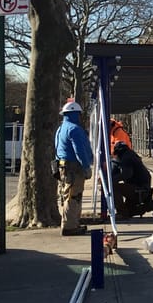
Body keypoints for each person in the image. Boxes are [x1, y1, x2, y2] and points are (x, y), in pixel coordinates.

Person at [55, 100, 94, 236]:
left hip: (63, 167)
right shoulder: (75, 129)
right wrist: (86, 167)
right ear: (76, 114)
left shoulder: (61, 129)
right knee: (74, 196)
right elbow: (80, 151)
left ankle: (72, 223)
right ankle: (70, 226)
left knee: (67, 195)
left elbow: (56, 148)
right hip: (73, 168)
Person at [111, 140, 153, 219]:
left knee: (113, 187)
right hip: (142, 190)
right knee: (129, 211)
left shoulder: (126, 158)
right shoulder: (130, 155)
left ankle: (121, 213)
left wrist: (111, 180)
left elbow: (127, 174)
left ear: (119, 152)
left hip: (139, 190)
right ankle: (151, 205)